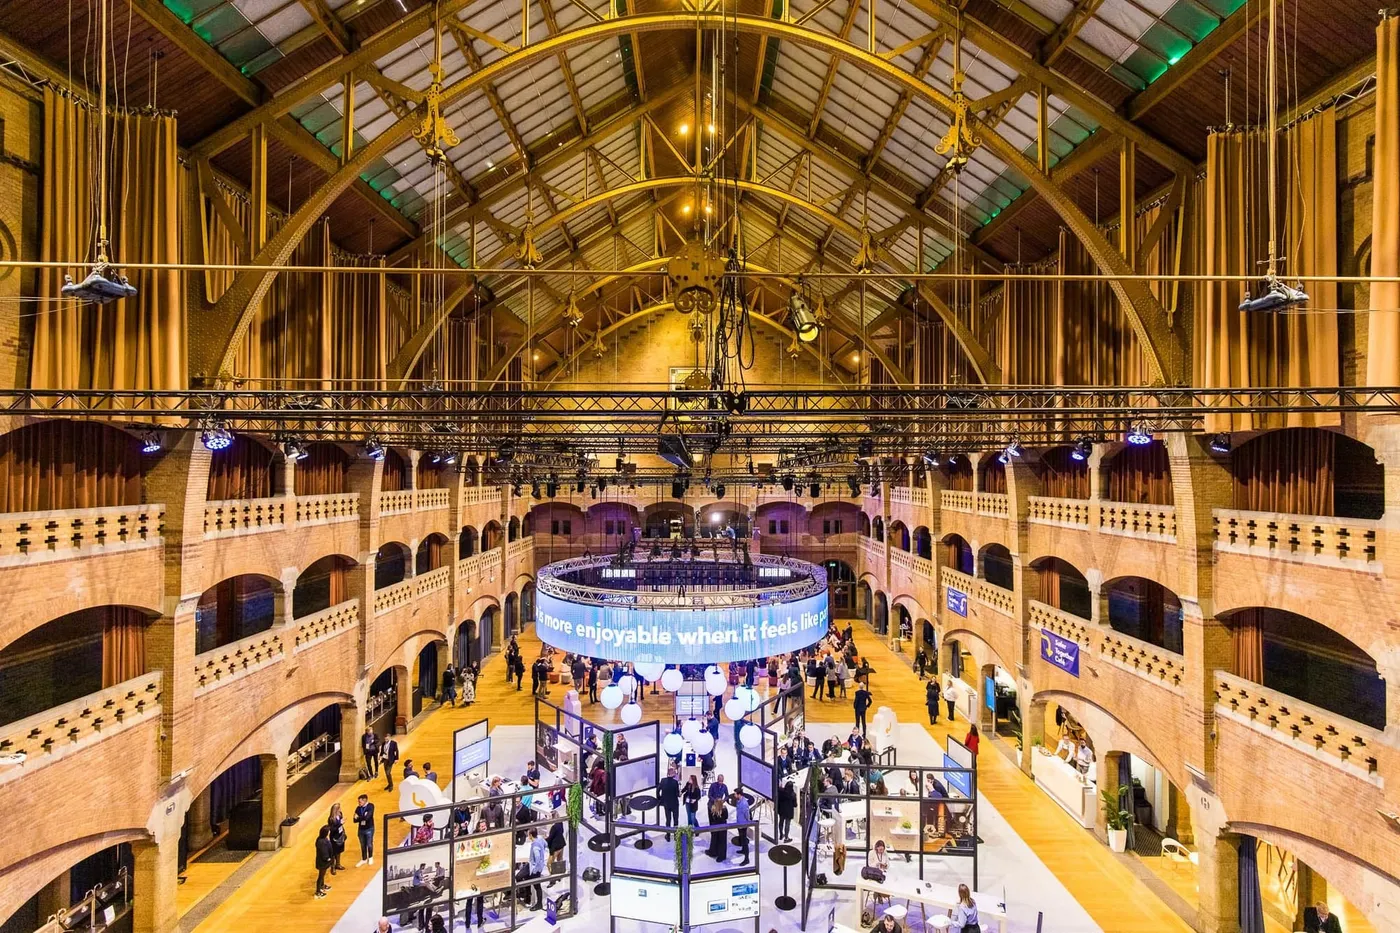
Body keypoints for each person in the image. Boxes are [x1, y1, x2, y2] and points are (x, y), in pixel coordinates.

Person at [658, 767, 680, 839]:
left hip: (666, 803)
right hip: (674, 804)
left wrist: (659, 798)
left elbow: (658, 790)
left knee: (668, 819)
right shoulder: (675, 782)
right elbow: (677, 794)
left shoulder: (663, 780)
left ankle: (668, 835)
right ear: (672, 774)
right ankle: (676, 835)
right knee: (675, 820)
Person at [354, 794, 375, 866]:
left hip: (369, 828)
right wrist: (363, 817)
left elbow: (367, 817)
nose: (359, 803)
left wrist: (359, 817)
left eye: (360, 802)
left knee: (369, 844)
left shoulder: (370, 806)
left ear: (365, 800)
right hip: (361, 829)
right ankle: (364, 859)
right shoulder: (358, 808)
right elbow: (354, 820)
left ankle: (371, 857)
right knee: (362, 845)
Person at [705, 796, 728, 860]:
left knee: (721, 842)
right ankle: (713, 852)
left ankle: (721, 856)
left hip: (721, 828)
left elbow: (725, 817)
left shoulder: (723, 809)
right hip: (716, 827)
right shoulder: (714, 809)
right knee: (715, 840)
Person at [327, 802, 347, 873]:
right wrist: (340, 823)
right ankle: (333, 867)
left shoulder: (340, 814)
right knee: (334, 853)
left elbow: (340, 826)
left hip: (340, 835)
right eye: (339, 808)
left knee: (339, 851)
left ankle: (338, 864)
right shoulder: (331, 819)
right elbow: (332, 829)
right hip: (334, 838)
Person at [314, 824, 333, 898]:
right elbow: (323, 852)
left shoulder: (324, 839)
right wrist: (328, 859)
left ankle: (322, 886)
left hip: (324, 861)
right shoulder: (321, 842)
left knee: (323, 875)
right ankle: (318, 891)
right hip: (322, 862)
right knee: (321, 876)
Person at [732, 791, 751, 865]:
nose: (734, 795)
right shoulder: (738, 801)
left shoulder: (744, 803)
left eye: (735, 794)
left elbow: (747, 814)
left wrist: (748, 822)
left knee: (744, 840)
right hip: (739, 822)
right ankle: (743, 849)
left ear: (739, 794)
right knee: (741, 838)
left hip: (743, 824)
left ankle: (746, 859)